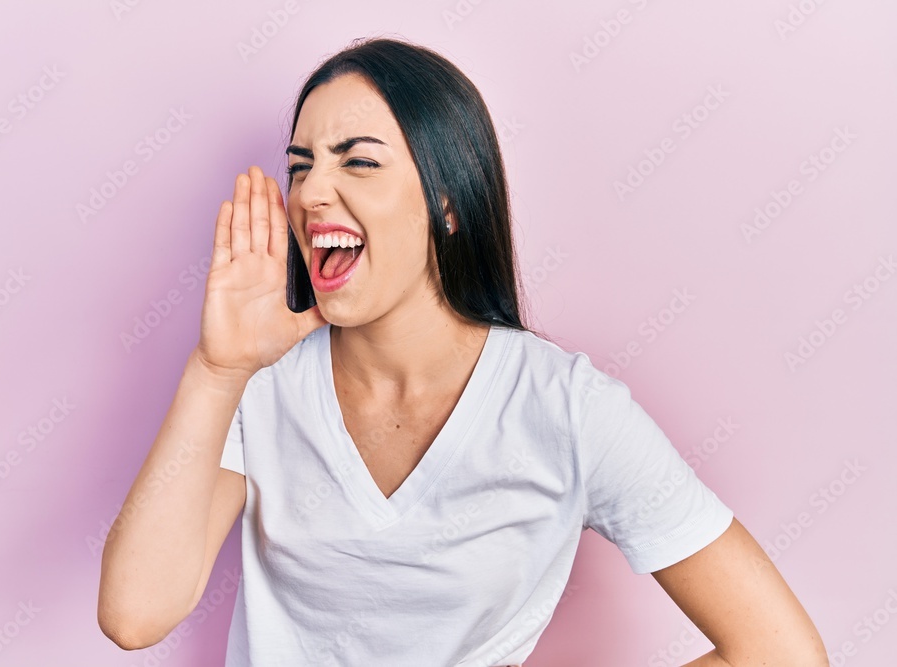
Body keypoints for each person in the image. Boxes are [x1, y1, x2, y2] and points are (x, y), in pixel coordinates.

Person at [97, 37, 829, 666]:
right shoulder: (261, 384)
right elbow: (135, 614)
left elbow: (780, 650)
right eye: (301, 164)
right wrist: (217, 368)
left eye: (358, 162)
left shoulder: (567, 409)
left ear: (448, 201)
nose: (312, 190)